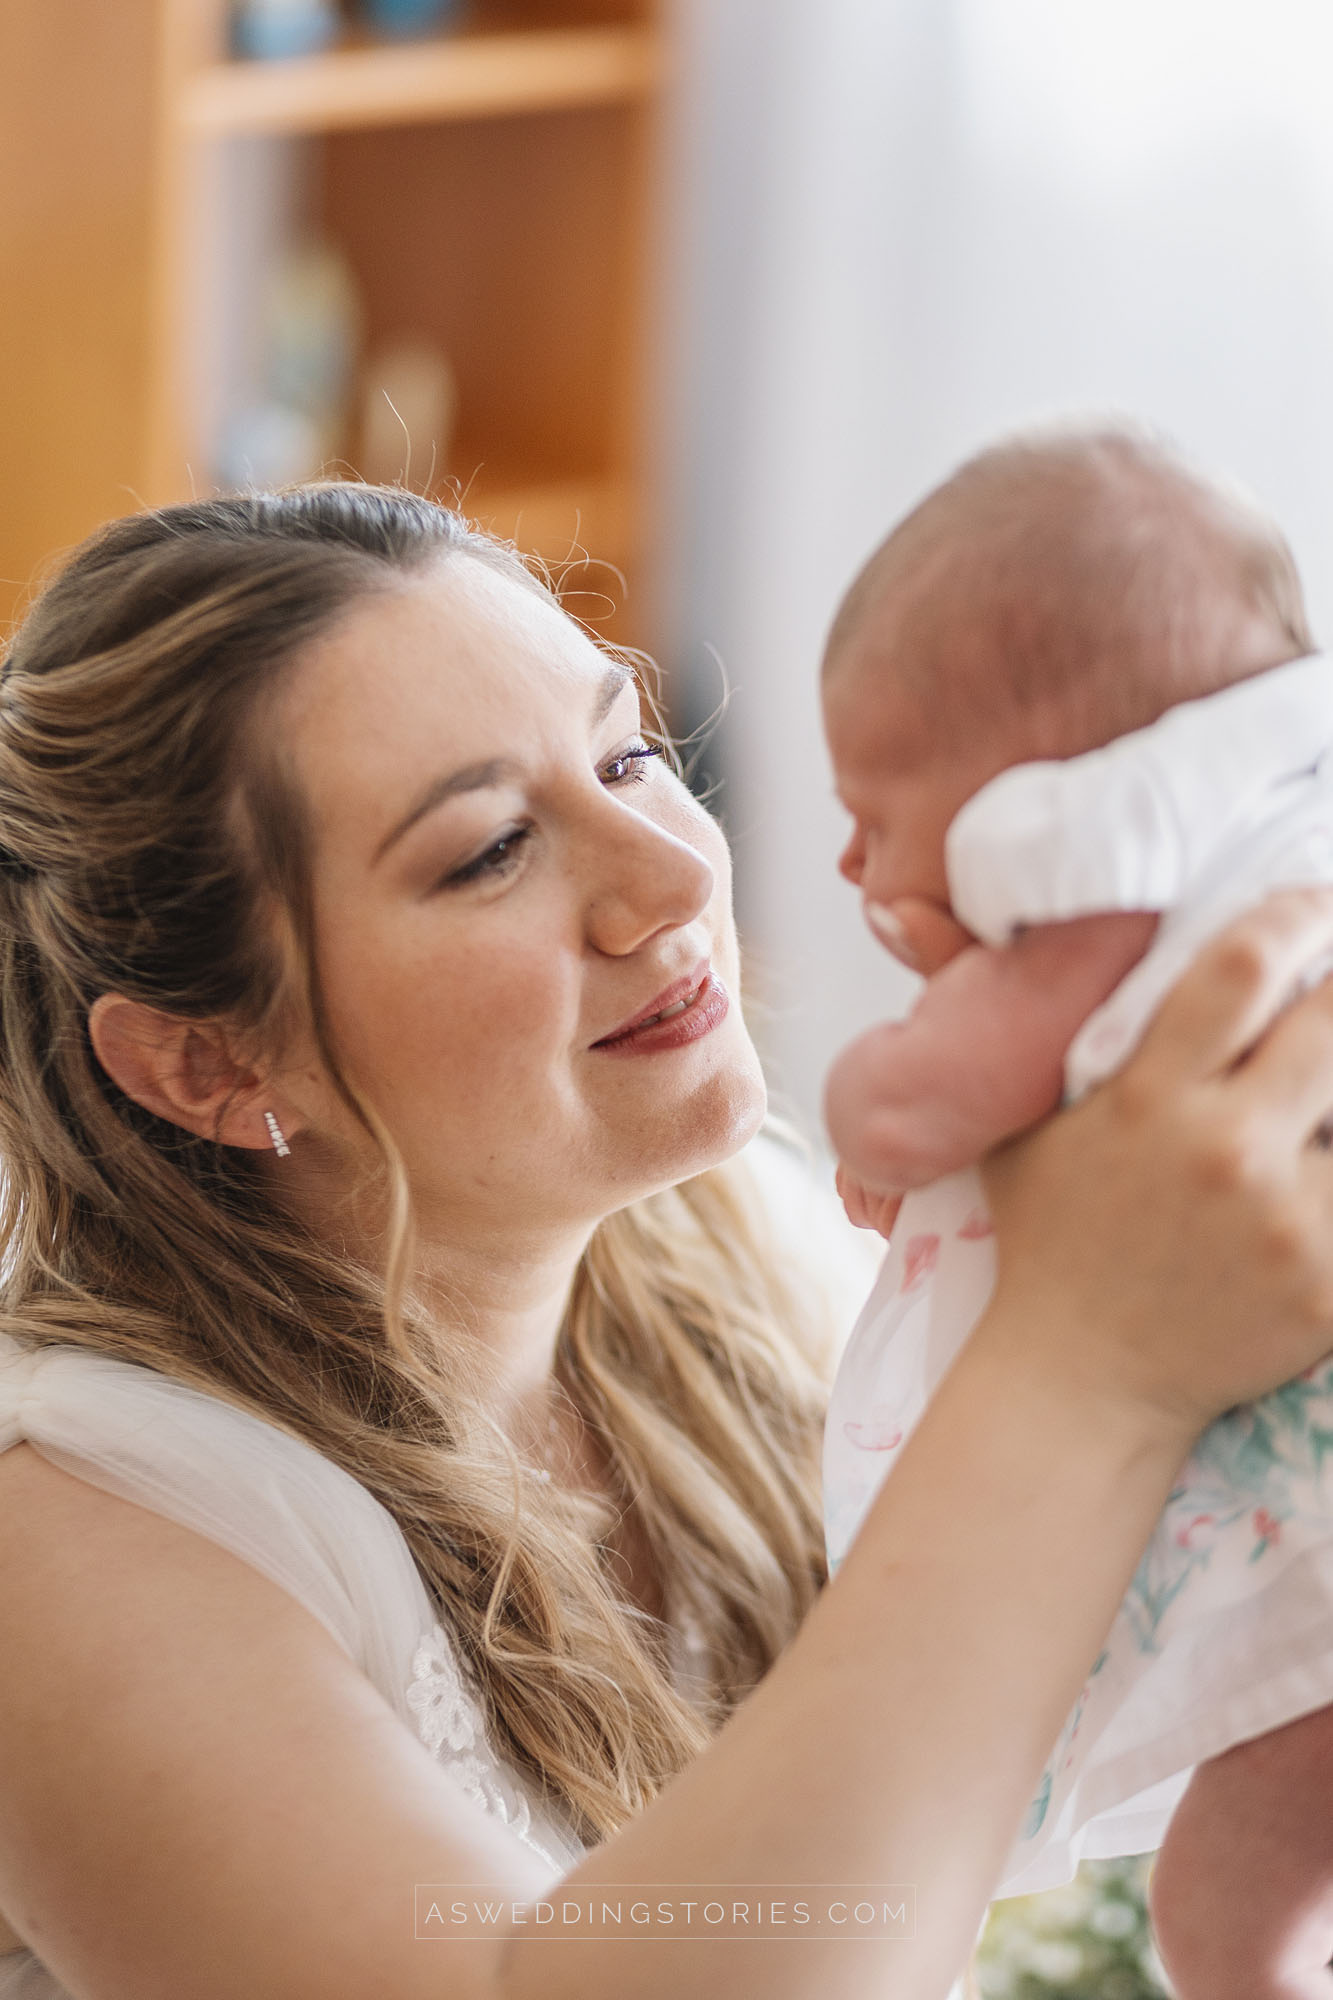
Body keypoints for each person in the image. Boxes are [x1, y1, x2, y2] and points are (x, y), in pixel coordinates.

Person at [1, 486, 1333, 2000]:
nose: (678, 875)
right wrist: (1086, 1367)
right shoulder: (66, 1545)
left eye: (629, 753)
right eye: (493, 848)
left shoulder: (747, 1243)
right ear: (211, 1066)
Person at [821, 424, 1333, 1999]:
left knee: (1232, 1909)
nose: (848, 857)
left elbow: (906, 1112)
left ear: (1020, 806)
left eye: (874, 809)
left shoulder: (1097, 884)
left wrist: (880, 1098)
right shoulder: (1282, 814)